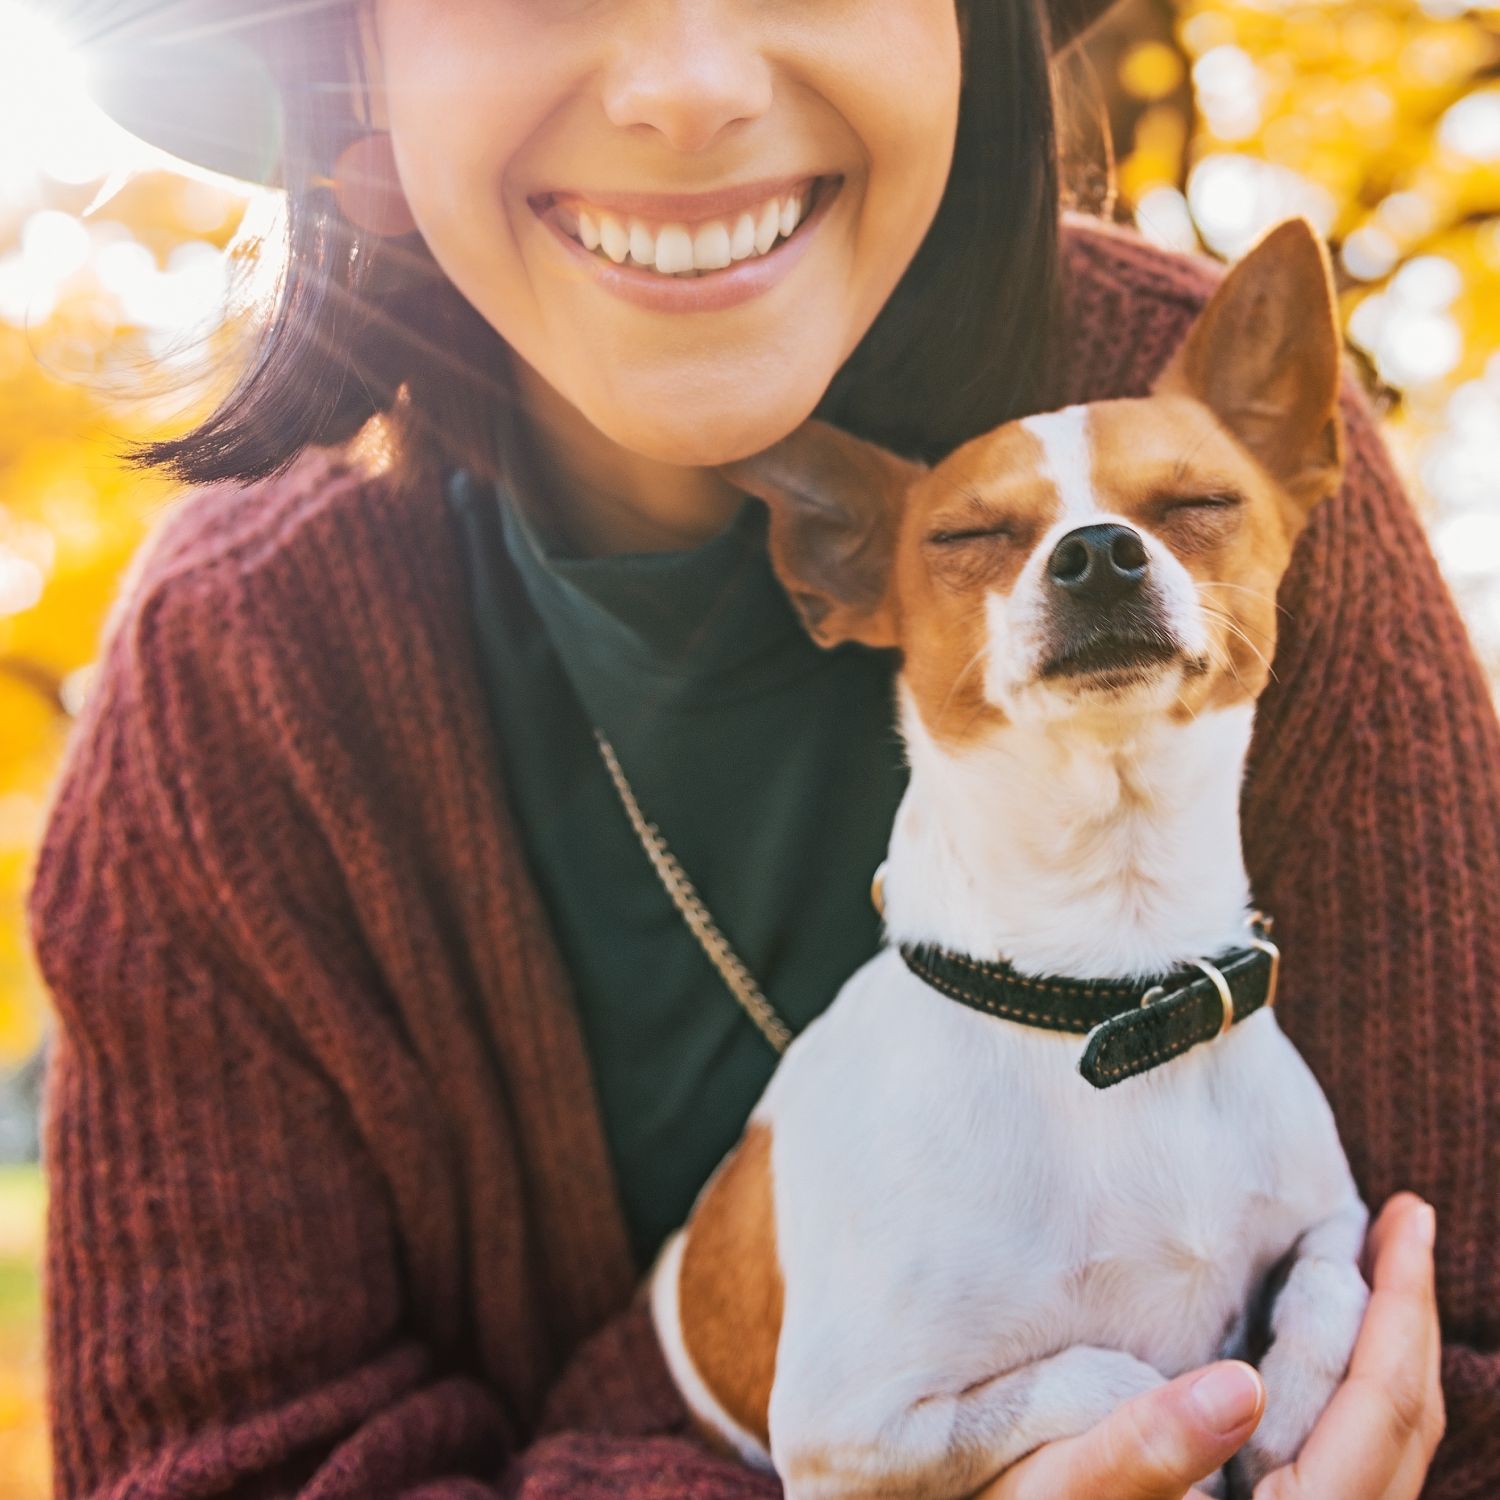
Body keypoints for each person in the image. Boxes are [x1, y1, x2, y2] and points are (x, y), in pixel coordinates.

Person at [30, 0, 1491, 1496]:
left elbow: (1475, 1330)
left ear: (983, 40)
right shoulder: (239, 686)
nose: (691, 87)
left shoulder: (1230, 466)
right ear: (355, 99)